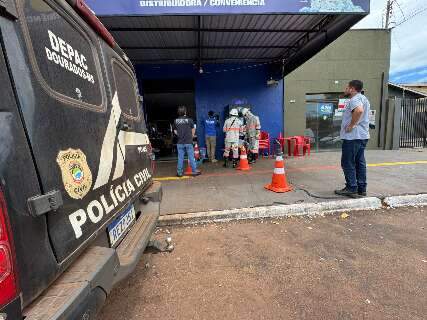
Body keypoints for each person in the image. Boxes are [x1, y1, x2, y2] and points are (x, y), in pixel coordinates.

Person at [335, 80, 370, 197]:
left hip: (353, 137)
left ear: (352, 89)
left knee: (347, 162)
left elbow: (359, 110)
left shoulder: (354, 99)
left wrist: (351, 125)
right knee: (359, 162)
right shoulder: (364, 98)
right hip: (362, 136)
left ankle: (351, 187)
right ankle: (361, 188)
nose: (346, 89)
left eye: (347, 87)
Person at [173, 106, 201, 177]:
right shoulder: (190, 120)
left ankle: (179, 173)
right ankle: (194, 171)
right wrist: (191, 137)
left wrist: (180, 135)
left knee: (180, 158)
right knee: (191, 157)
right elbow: (193, 130)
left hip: (180, 142)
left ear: (179, 112)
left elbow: (175, 131)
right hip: (188, 142)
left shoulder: (176, 121)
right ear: (185, 111)